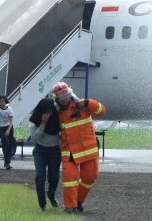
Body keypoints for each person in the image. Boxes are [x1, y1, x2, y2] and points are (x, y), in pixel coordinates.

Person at [52, 82, 106, 214]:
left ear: (70, 93)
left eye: (65, 94)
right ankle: (70, 207)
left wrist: (87, 102)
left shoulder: (82, 104)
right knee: (69, 179)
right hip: (69, 150)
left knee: (90, 177)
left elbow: (101, 110)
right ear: (56, 98)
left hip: (89, 148)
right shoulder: (56, 113)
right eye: (60, 96)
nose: (64, 98)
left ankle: (78, 202)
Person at [29, 98, 61, 212]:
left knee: (54, 178)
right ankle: (42, 204)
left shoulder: (57, 116)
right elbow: (34, 137)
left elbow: (63, 131)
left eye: (50, 111)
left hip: (54, 151)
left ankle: (51, 195)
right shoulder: (34, 119)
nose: (48, 114)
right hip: (40, 151)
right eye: (45, 111)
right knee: (40, 177)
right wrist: (43, 123)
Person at [0, 95, 14, 170]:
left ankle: (7, 161)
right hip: (1, 128)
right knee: (5, 143)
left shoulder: (9, 109)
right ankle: (7, 162)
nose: (1, 103)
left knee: (9, 144)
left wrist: (9, 130)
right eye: (0, 101)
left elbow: (11, 121)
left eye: (3, 101)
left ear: (5, 101)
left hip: (8, 127)